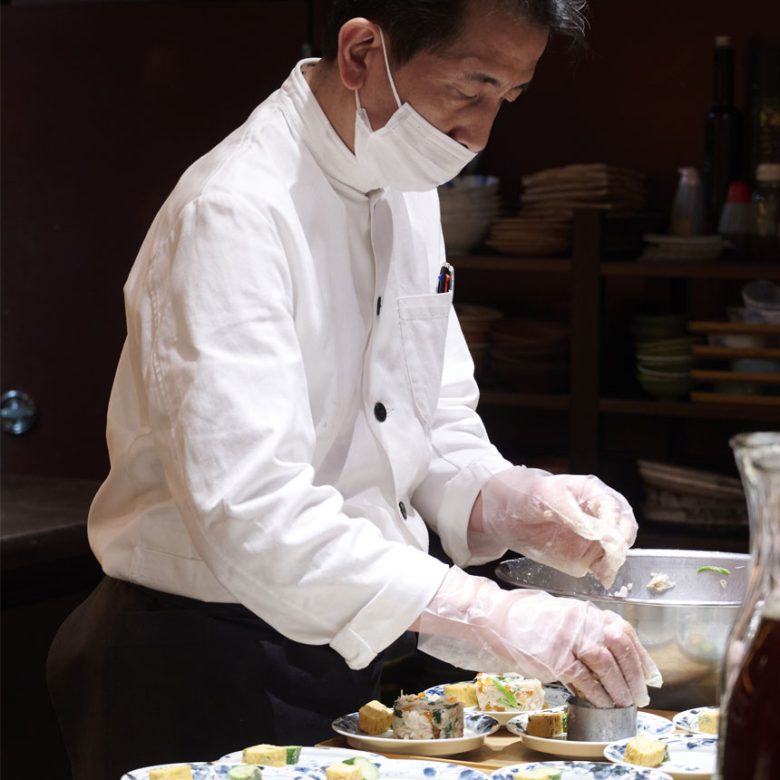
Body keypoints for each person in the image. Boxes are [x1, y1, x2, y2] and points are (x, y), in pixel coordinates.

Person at [47, 1, 661, 778]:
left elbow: (429, 420)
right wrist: (490, 614)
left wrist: (512, 498)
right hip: (197, 661)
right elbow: (253, 514)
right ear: (362, 52)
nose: (479, 133)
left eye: (506, 99)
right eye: (469, 90)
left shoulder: (405, 179)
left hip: (348, 648)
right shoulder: (235, 209)